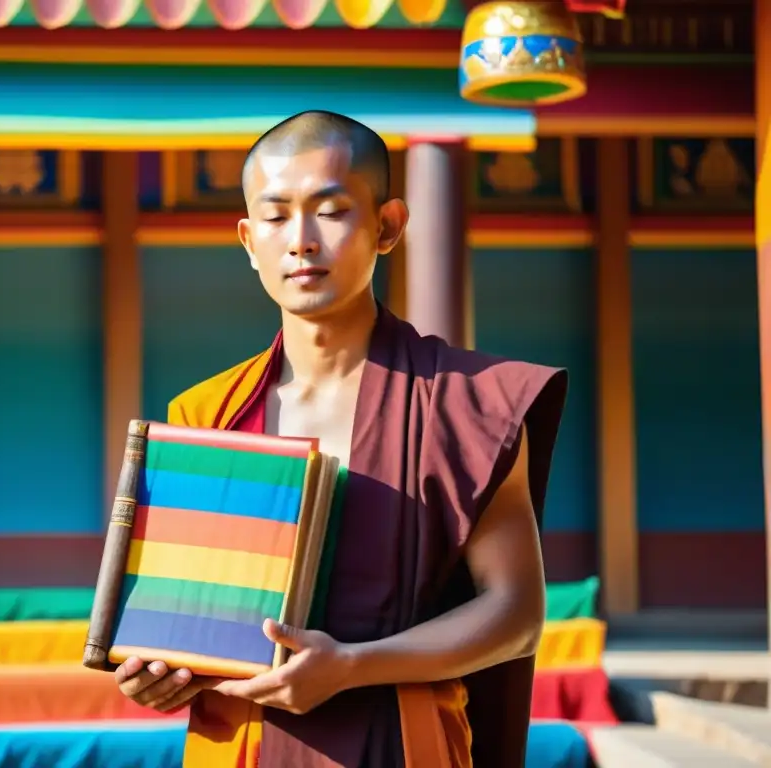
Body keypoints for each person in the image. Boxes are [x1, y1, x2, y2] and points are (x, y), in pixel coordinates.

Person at [113, 110, 568, 768]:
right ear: (248, 240)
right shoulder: (205, 413)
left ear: (387, 226)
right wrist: (155, 672)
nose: (300, 241)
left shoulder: (468, 402)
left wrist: (353, 666)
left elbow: (515, 610)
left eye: (330, 210)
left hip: (403, 742)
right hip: (239, 743)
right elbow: (187, 613)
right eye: (274, 217)